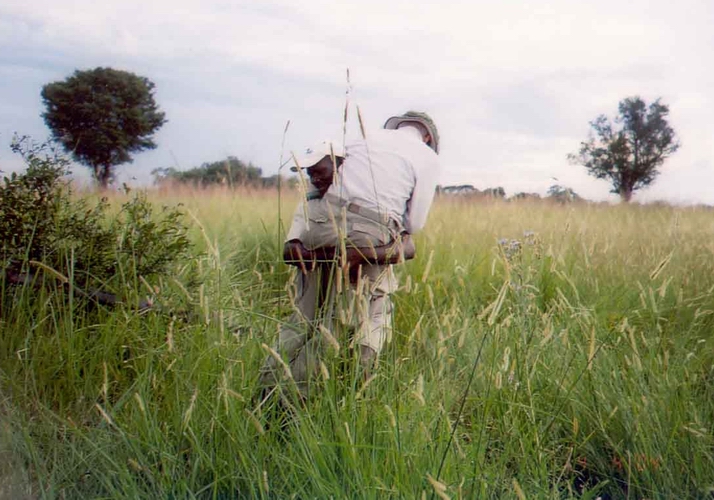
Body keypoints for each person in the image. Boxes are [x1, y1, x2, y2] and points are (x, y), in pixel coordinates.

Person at [260, 111, 441, 399]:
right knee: (348, 318)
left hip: (320, 221)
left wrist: (295, 236)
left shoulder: (362, 138)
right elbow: (414, 224)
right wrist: (382, 244)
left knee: (303, 317)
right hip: (369, 230)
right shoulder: (427, 156)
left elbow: (318, 189)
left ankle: (265, 390)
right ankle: (297, 401)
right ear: (428, 136)